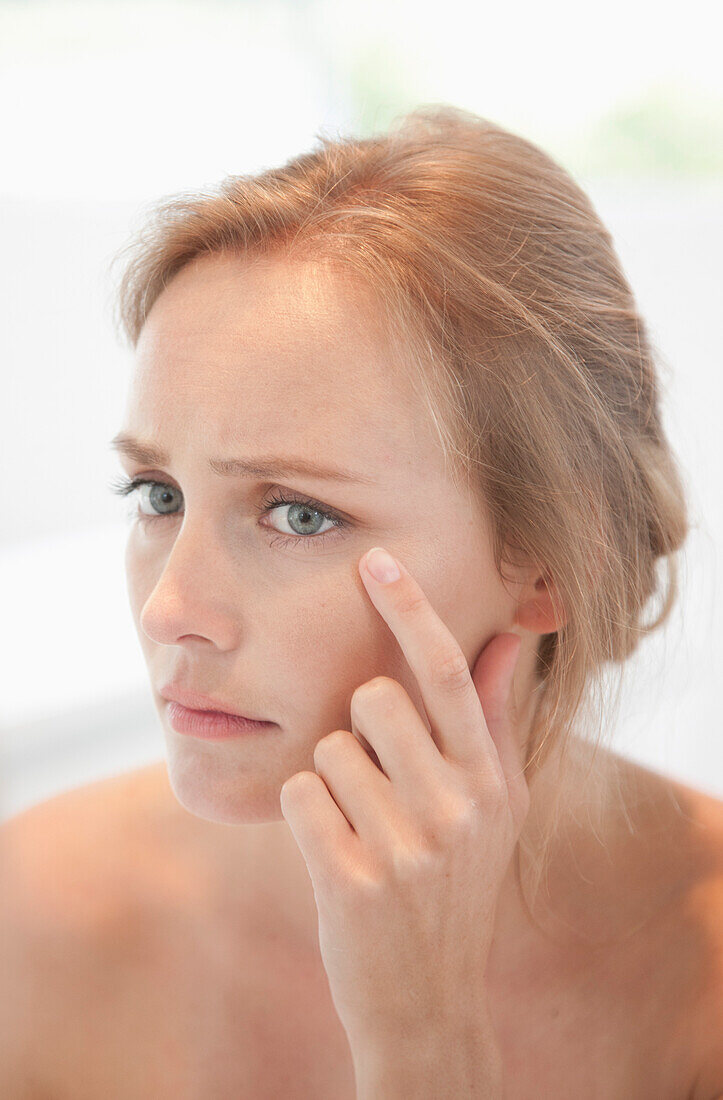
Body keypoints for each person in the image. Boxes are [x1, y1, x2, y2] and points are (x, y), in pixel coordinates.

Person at [2, 104, 721, 1098]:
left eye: (297, 515)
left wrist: (426, 1045)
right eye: (159, 495)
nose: (172, 608)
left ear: (554, 559)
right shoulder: (28, 913)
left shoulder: (703, 968)